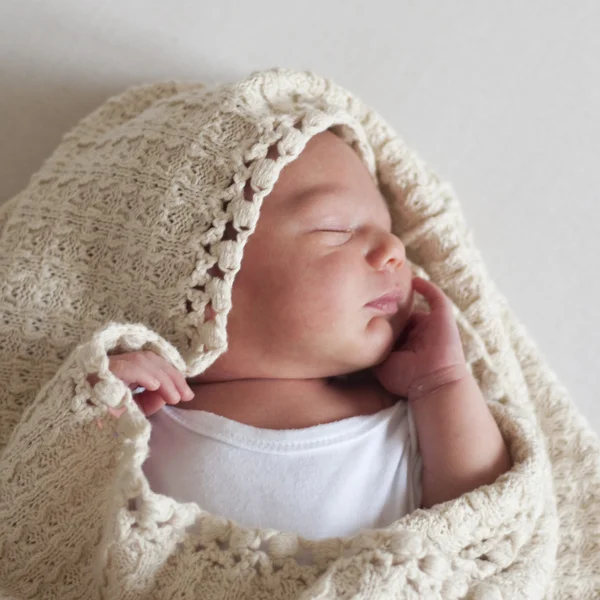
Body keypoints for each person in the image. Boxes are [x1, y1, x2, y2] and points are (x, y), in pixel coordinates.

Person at [96, 129, 511, 540]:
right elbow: (65, 498)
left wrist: (442, 383)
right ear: (205, 280)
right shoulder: (148, 410)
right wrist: (103, 397)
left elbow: (483, 519)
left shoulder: (408, 415)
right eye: (337, 229)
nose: (394, 250)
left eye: (390, 230)